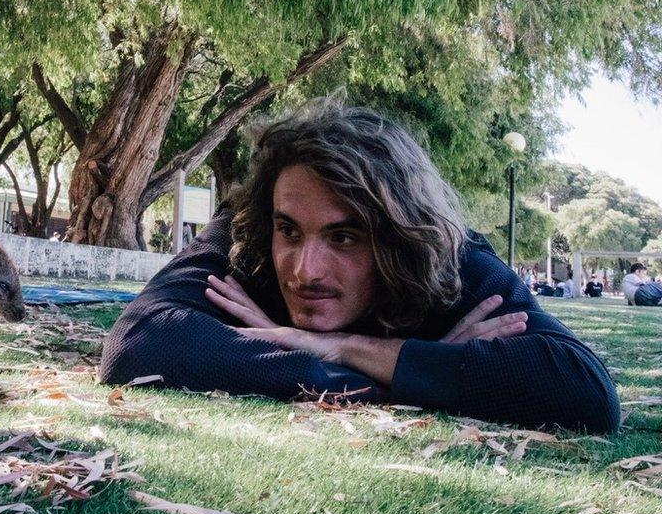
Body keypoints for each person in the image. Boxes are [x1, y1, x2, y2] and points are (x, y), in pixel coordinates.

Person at [100, 99, 619, 433]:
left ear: (399, 237)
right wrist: (393, 379)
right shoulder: (246, 235)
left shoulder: (450, 261)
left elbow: (586, 391)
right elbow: (137, 343)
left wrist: (344, 346)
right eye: (290, 232)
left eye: (343, 236)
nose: (304, 271)